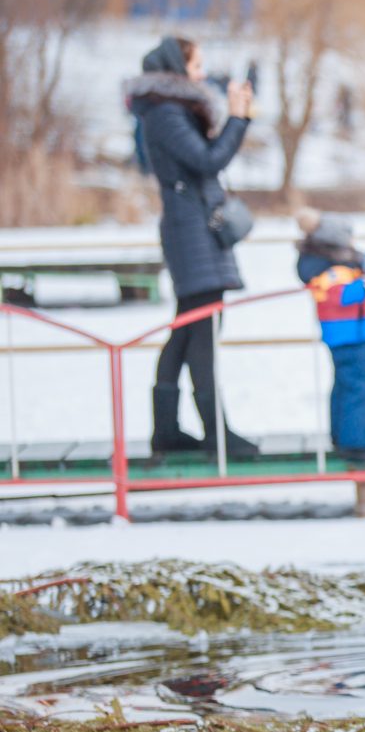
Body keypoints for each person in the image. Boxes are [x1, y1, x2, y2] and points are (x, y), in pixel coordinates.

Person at [124, 35, 257, 458]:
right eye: (196, 67)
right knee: (203, 332)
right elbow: (208, 161)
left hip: (194, 229)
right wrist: (237, 119)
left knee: (187, 331)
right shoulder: (166, 112)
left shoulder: (169, 109)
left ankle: (167, 432)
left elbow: (203, 160)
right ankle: (216, 434)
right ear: (176, 69)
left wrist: (235, 118)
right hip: (191, 232)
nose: (202, 75)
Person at [295, 211, 365, 467]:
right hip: (350, 336)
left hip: (348, 335)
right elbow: (344, 295)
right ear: (336, 240)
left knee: (344, 386)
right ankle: (355, 443)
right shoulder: (331, 271)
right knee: (358, 388)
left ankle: (342, 436)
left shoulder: (331, 261)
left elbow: (364, 261)